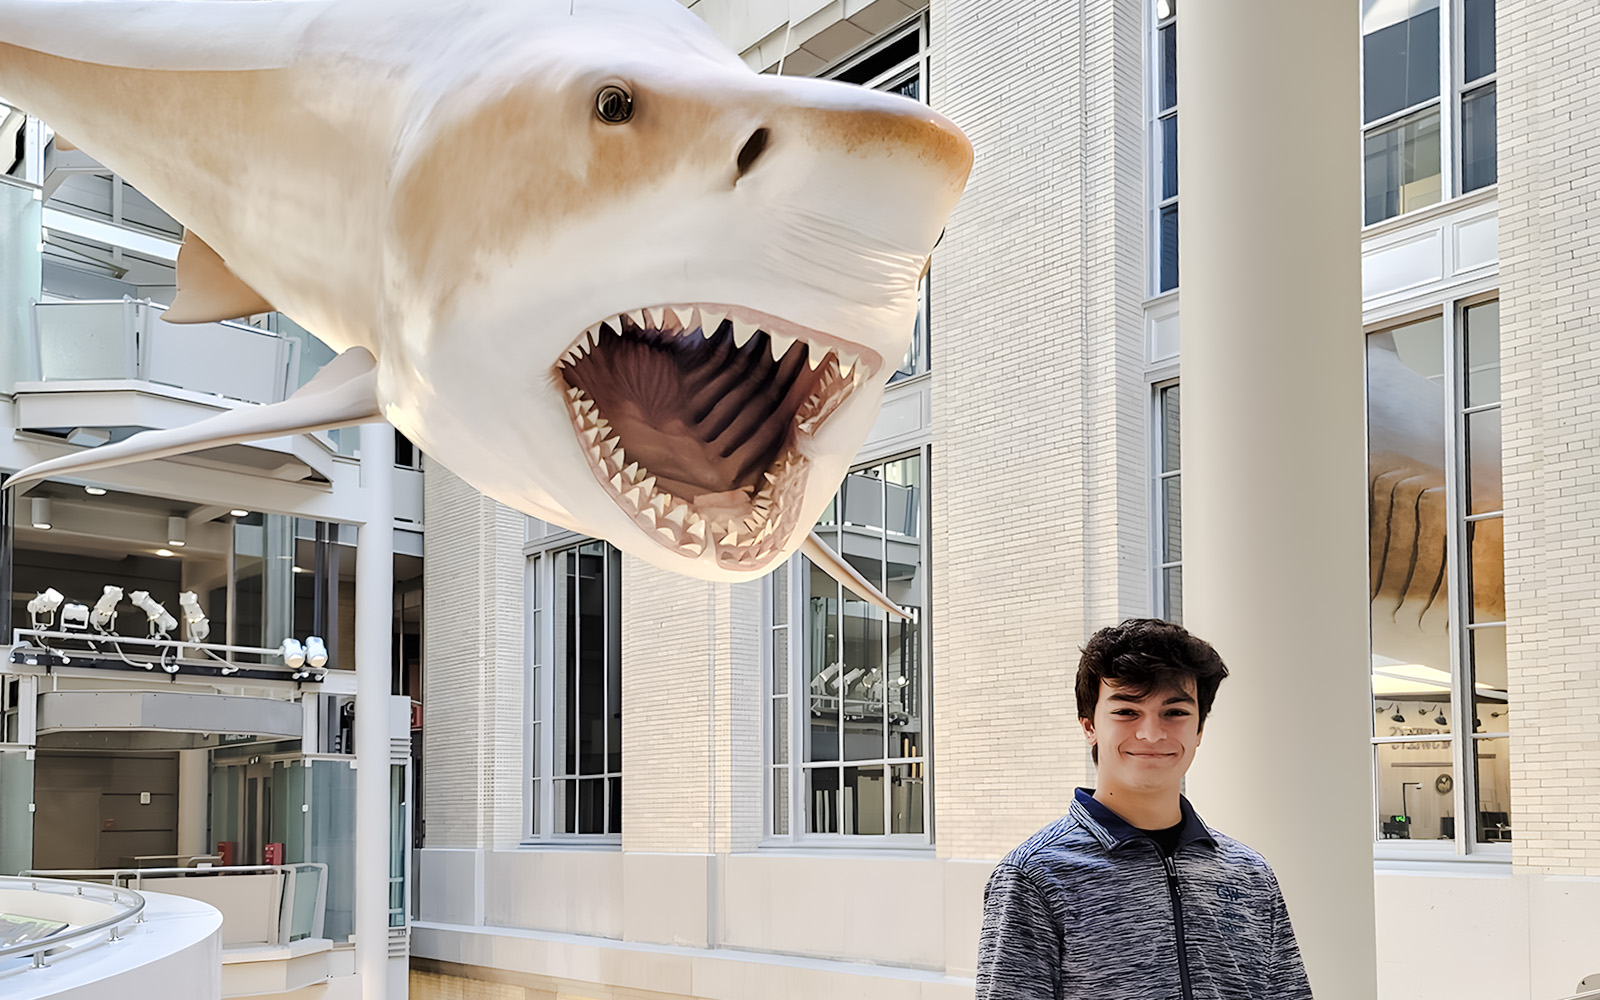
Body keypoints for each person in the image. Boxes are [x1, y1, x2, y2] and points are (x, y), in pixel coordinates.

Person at [974, 618, 1313, 999]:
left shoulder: (1249, 874)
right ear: (1089, 726)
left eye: (1175, 713)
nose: (1151, 734)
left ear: (1199, 729)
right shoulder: (1036, 875)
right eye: (1126, 712)